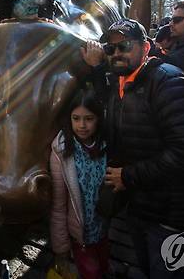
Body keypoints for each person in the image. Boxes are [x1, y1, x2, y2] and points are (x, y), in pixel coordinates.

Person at [81, 18, 184, 278]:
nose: (116, 53)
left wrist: (128, 176)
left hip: (172, 215)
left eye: (125, 45)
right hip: (142, 207)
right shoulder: (124, 84)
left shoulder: (170, 83)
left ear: (146, 48)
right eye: (110, 48)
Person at [50, 89, 108, 279]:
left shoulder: (106, 145)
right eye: (76, 118)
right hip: (80, 236)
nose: (82, 125)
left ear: (98, 118)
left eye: (89, 118)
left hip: (103, 228)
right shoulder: (61, 150)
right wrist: (61, 248)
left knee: (104, 266)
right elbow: (59, 204)